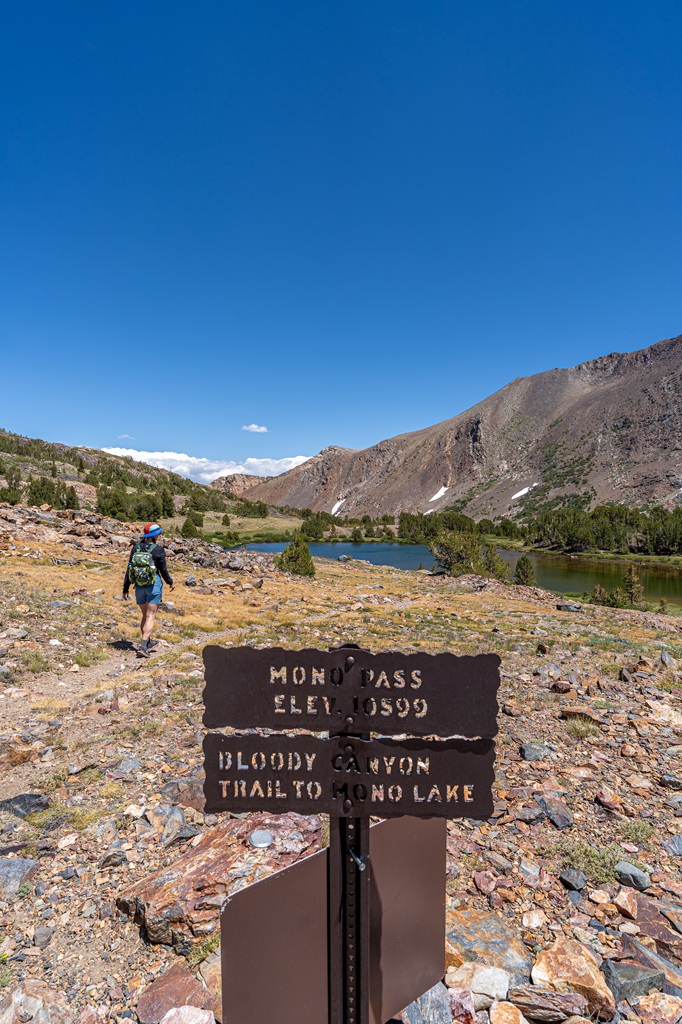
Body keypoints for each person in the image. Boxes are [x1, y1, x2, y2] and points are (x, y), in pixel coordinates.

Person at [123, 522, 174, 657]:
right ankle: (143, 646)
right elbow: (163, 570)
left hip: (139, 586)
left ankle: (148, 641)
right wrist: (170, 582)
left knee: (145, 616)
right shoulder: (158, 550)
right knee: (151, 616)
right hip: (153, 585)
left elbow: (129, 569)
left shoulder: (136, 548)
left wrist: (125, 588)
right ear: (155, 535)